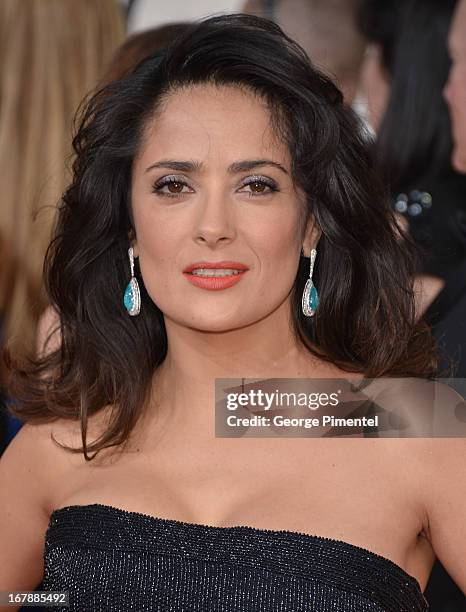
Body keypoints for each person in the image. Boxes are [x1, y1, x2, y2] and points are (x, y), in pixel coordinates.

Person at [0, 13, 465, 611]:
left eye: (257, 185)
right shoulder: (68, 436)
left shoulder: (409, 421)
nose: (213, 227)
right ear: (130, 228)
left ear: (312, 225)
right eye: (173, 185)